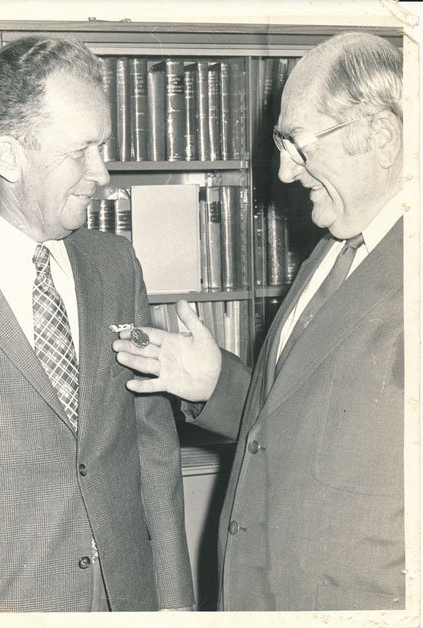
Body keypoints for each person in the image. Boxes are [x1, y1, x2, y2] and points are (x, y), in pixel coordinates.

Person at [114, 32, 405, 611]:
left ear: (381, 135)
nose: (284, 173)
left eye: (298, 145)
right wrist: (215, 384)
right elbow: (298, 421)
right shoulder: (330, 249)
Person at [0, 36, 194, 613]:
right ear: (9, 157)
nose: (101, 174)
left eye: (102, 147)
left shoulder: (115, 264)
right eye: (81, 151)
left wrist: (175, 603)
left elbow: (154, 449)